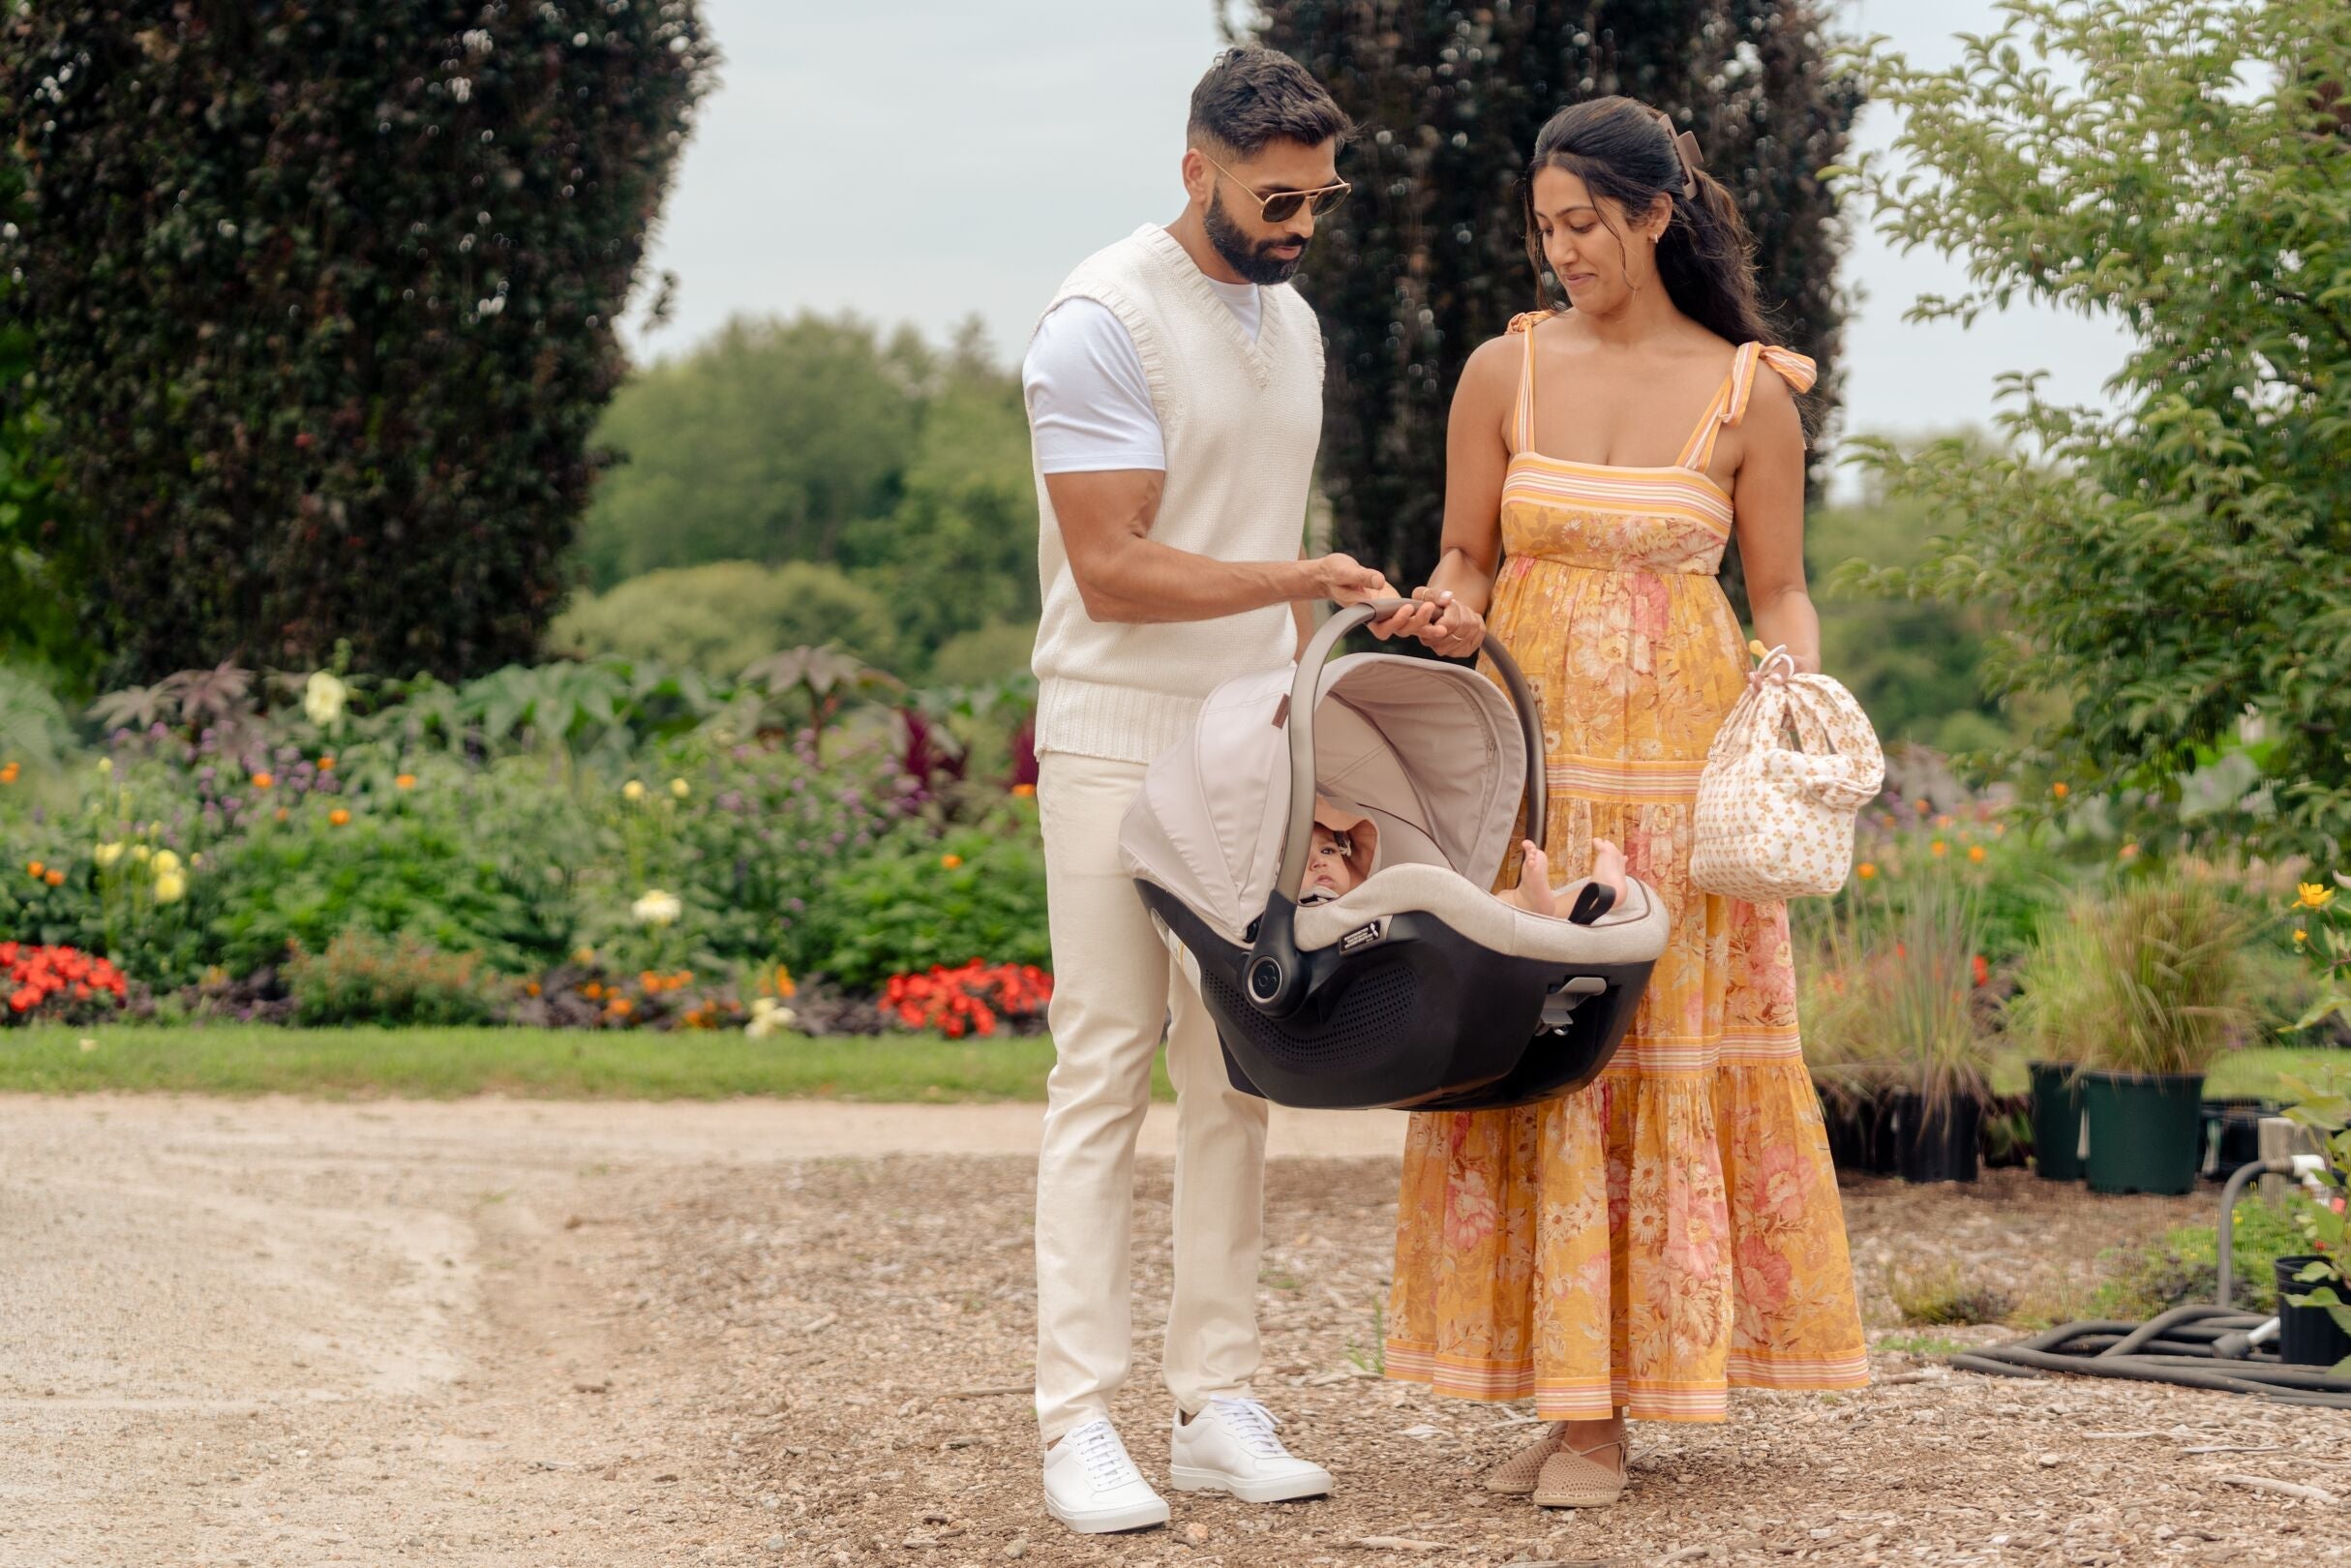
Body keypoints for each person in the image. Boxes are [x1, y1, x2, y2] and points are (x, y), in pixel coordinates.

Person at [1374, 97, 1869, 1511]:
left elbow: (1775, 583)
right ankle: (1572, 1397)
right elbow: (1466, 555)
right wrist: (1447, 611)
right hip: (1537, 773)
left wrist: (1793, 683)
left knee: (1648, 1064)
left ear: (1653, 215)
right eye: (1543, 228)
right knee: (1534, 1051)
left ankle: (1604, 1422)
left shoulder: (1747, 392)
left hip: (1681, 788)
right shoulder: (1501, 373)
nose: (1561, 250)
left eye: (1582, 223)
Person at [1021, 46, 1392, 1536]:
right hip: (1114, 732)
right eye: (1275, 197)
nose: (1301, 223)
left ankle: (1216, 1401)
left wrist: (1317, 760)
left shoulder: (1293, 323)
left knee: (1239, 1071)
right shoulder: (1097, 319)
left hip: (1247, 736)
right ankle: (1077, 1420)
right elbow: (1112, 570)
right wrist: (1299, 577)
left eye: (1318, 198)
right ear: (1198, 171)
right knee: (1104, 1064)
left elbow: (1267, 560)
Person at [1299, 799, 1625, 923]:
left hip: (1428, 935)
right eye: (1299, 860)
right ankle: (1531, 904)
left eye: (1327, 851)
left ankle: (1597, 891)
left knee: (1492, 908)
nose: (1317, 863)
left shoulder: (1366, 893)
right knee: (1487, 917)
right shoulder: (1296, 915)